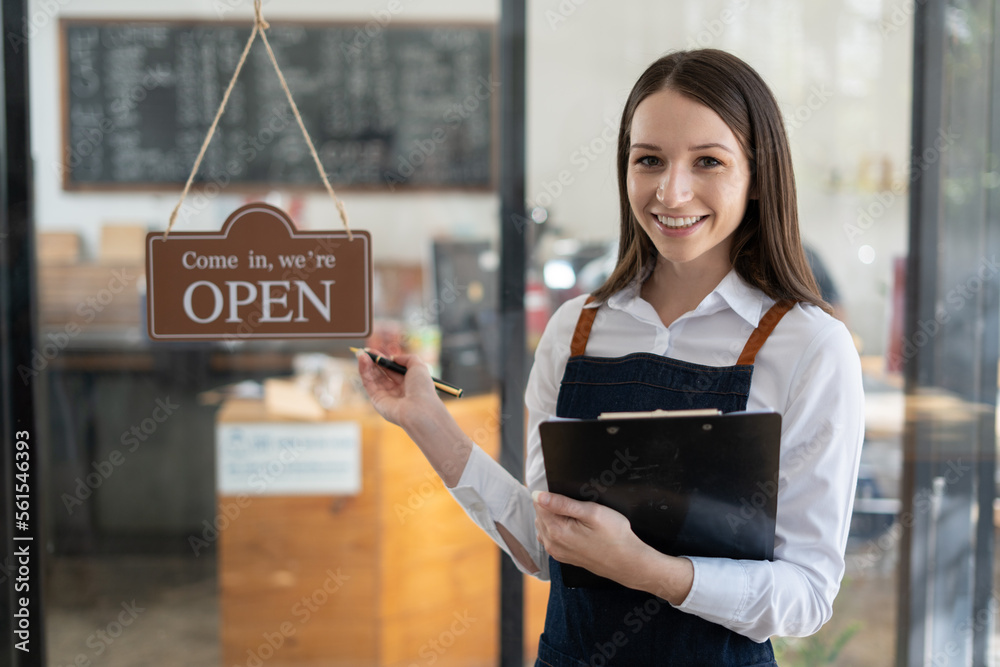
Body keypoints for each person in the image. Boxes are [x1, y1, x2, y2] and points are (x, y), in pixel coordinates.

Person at [357, 49, 864, 667]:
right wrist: (425, 420)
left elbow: (806, 596)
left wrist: (651, 570)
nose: (671, 190)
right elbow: (548, 547)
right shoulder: (575, 330)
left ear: (757, 177)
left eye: (708, 161)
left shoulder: (810, 346)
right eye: (648, 160)